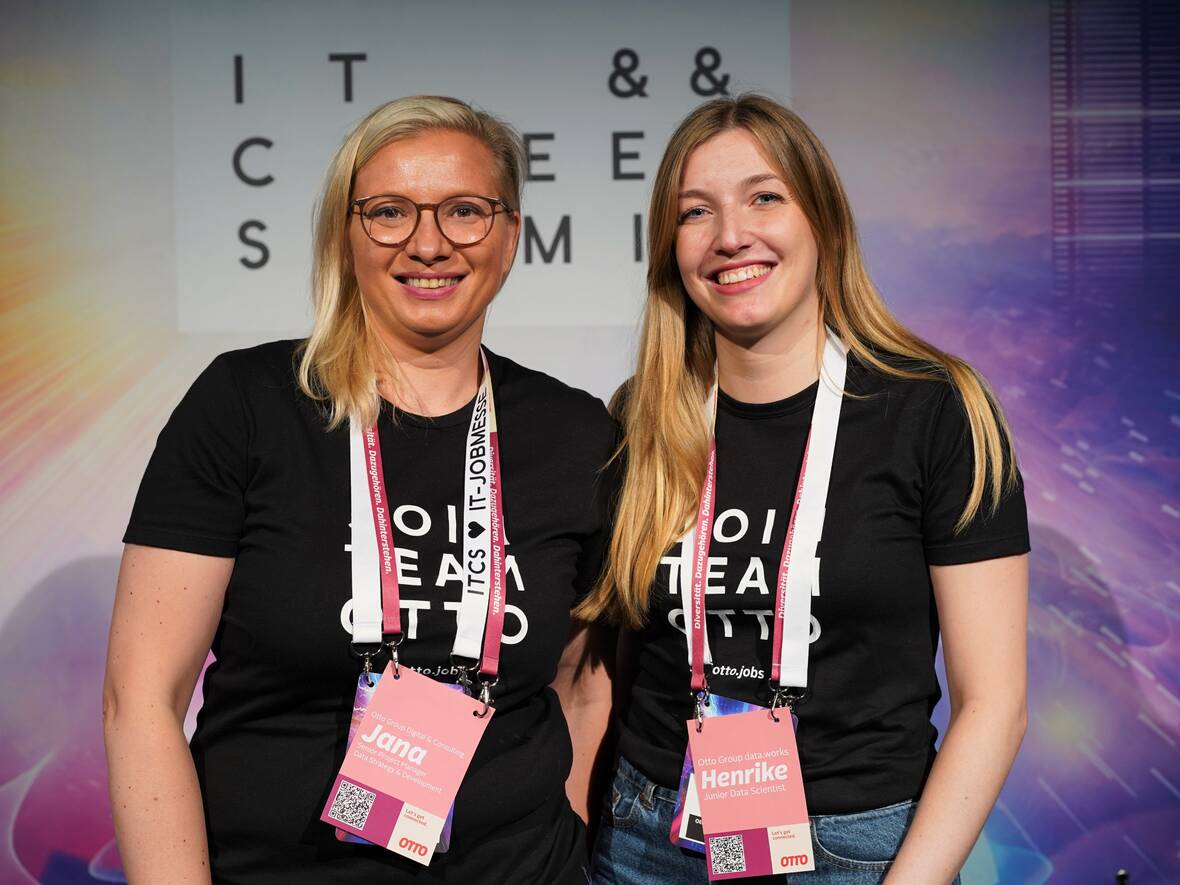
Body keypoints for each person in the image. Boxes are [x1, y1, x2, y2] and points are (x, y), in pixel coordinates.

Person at [103, 95, 615, 884]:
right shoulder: (245, 406)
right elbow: (140, 699)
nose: (428, 243)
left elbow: (581, 684)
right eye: (389, 212)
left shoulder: (575, 432)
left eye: (465, 211)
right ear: (345, 234)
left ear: (511, 234)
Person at [581, 94, 1029, 884]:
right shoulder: (640, 417)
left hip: (860, 852)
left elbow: (994, 704)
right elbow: (613, 664)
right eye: (695, 212)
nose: (730, 235)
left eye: (764, 197)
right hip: (648, 835)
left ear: (823, 219)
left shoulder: (934, 410)